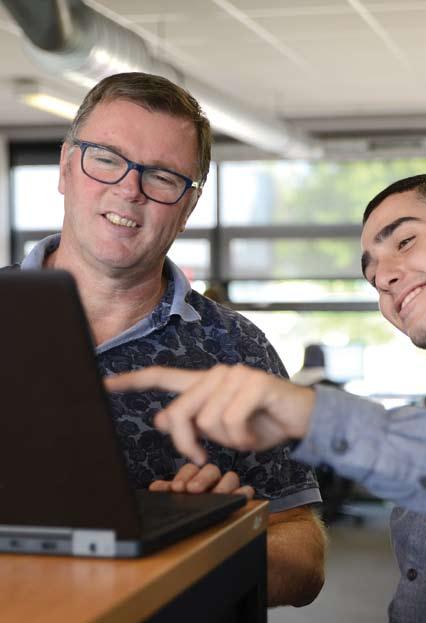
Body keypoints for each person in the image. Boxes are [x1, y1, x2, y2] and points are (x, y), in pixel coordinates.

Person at [106, 173, 426, 622]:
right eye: (369, 267)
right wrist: (212, 532)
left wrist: (316, 415)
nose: (380, 275)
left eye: (402, 242)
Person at [14, 72, 325, 608]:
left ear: (188, 206)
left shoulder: (238, 350)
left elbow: (306, 563)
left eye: (161, 177)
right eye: (106, 159)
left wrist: (218, 534)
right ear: (65, 167)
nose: (128, 189)